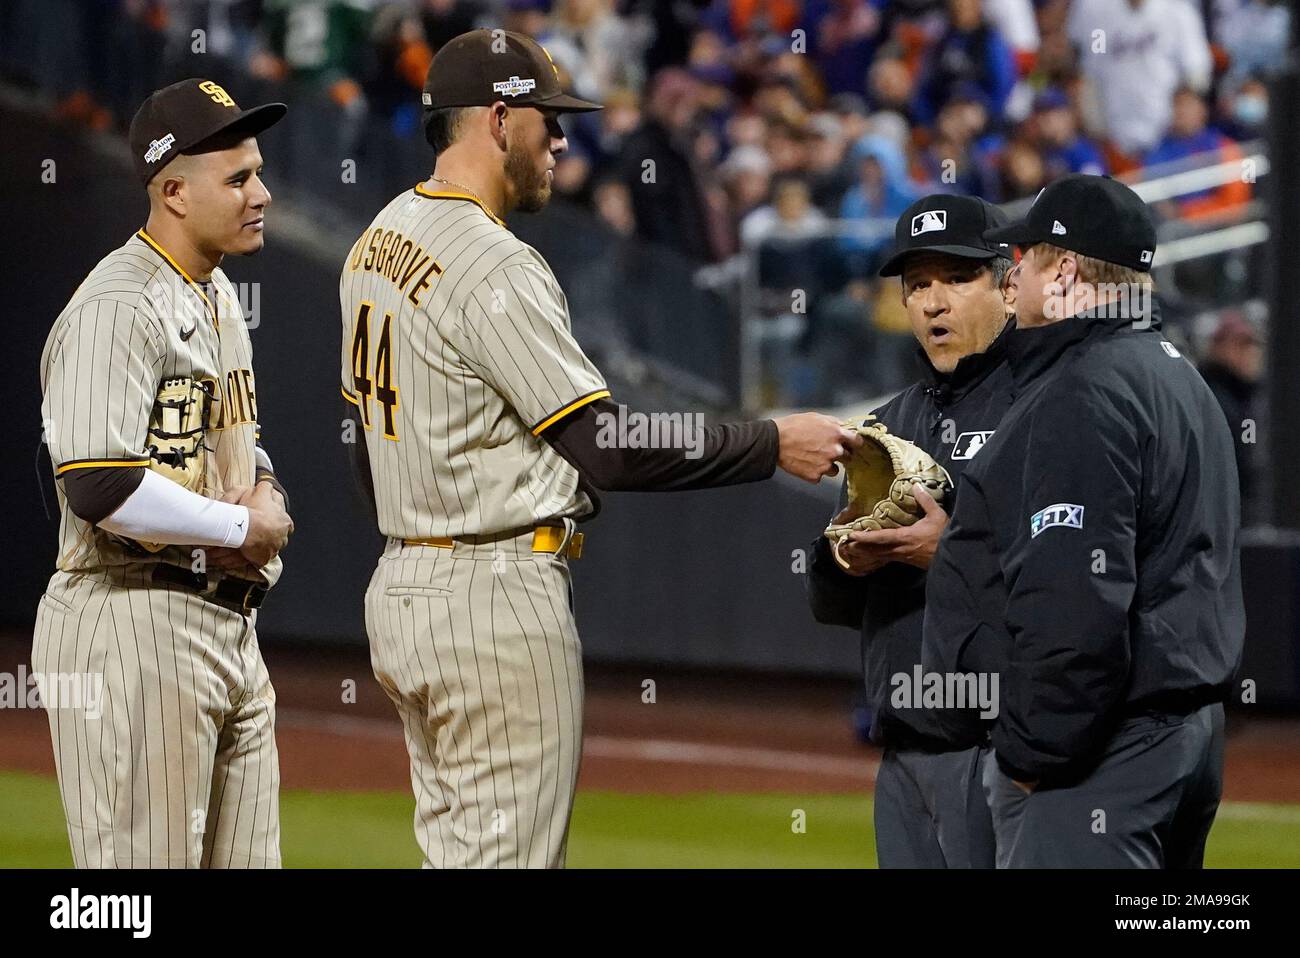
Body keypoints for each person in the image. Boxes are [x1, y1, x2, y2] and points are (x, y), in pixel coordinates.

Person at [339, 29, 859, 868]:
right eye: (547, 120)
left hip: (404, 590)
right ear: (498, 120)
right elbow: (609, 445)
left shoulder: (378, 239)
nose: (561, 141)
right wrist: (769, 443)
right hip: (494, 596)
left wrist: (420, 531)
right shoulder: (491, 262)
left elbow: (367, 449)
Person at [923, 174, 1245, 868]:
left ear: (1064, 269)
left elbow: (1075, 603)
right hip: (1182, 732)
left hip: (1105, 750)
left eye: (1028, 256)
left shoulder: (1087, 389)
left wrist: (1033, 754)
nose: (1014, 273)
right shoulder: (1179, 377)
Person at [34, 79, 295, 868]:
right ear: (173, 191)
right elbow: (100, 485)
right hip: (128, 620)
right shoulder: (118, 305)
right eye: (239, 178)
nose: (262, 193)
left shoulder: (216, 295)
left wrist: (266, 493)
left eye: (258, 172)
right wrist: (241, 525)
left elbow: (242, 444)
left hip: (225, 625)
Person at [807, 194, 1017, 868]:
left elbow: (1077, 579)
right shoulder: (885, 427)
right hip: (903, 751)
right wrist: (841, 555)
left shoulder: (1048, 408)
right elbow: (833, 605)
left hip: (1002, 752)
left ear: (1008, 284)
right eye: (918, 284)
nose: (933, 303)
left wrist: (947, 554)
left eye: (957, 278)